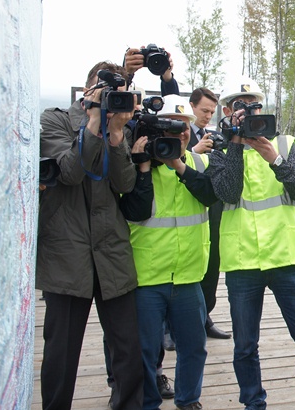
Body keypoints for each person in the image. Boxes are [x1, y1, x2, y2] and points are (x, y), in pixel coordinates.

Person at [208, 77, 295, 410]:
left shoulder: (284, 144)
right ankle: (254, 404)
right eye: (240, 105)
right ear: (226, 111)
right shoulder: (219, 149)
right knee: (244, 347)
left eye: (253, 105)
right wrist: (236, 143)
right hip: (243, 263)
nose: (247, 110)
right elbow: (227, 192)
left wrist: (274, 159)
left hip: (286, 259)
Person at [38, 61, 143, 409]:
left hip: (110, 252)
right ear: (87, 90)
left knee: (128, 350)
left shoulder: (120, 127)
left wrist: (115, 135)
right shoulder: (53, 120)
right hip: (67, 255)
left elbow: (124, 183)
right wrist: (94, 122)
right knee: (60, 354)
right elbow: (69, 172)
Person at [121, 95, 216, 410]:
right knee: (144, 351)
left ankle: (188, 399)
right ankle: (148, 402)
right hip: (148, 275)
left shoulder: (198, 162)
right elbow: (135, 211)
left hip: (188, 275)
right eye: (172, 130)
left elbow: (209, 195)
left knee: (194, 347)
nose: (180, 135)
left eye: (185, 128)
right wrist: (144, 167)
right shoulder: (137, 166)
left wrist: (178, 164)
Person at [187, 86, 232, 340]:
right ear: (192, 106)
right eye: (204, 110)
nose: (207, 116)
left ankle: (204, 316)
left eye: (211, 112)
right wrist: (194, 151)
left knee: (212, 264)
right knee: (189, 268)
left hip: (213, 211)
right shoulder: (180, 133)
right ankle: (172, 327)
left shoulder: (212, 136)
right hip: (186, 211)